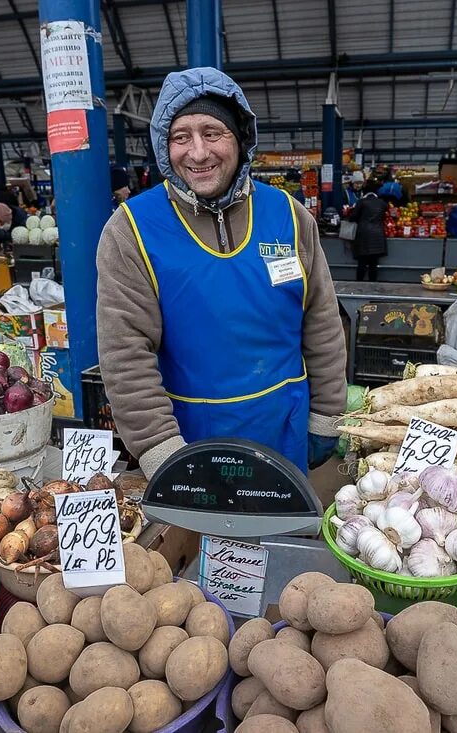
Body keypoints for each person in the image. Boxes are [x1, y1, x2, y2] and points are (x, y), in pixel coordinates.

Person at [96, 67, 347, 477]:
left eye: (212, 133)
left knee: (283, 539)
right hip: (190, 442)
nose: (197, 153)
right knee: (197, 543)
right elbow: (125, 352)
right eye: (181, 137)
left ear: (240, 138)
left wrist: (327, 413)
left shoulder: (289, 215)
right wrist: (159, 448)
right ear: (164, 145)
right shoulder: (131, 230)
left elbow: (322, 321)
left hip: (284, 430)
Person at [347, 180, 389, 282]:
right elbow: (384, 218)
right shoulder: (382, 203)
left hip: (363, 236)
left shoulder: (361, 202)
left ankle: (359, 287)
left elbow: (353, 218)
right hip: (378, 236)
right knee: (373, 265)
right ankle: (372, 287)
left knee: (361, 264)